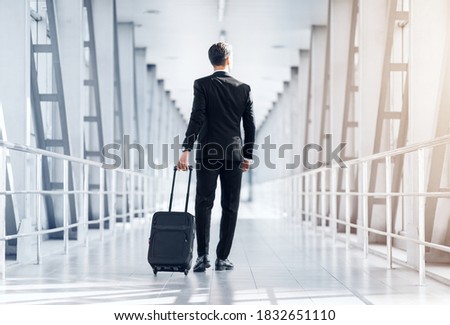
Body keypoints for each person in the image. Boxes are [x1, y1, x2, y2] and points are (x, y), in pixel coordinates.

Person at [177, 42, 255, 272]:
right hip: (233, 154)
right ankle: (223, 257)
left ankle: (202, 256)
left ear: (211, 60)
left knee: (204, 202)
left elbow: (197, 116)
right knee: (230, 206)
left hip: (208, 152)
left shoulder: (202, 85)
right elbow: (249, 125)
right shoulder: (244, 88)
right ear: (229, 59)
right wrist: (247, 155)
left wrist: (186, 148)